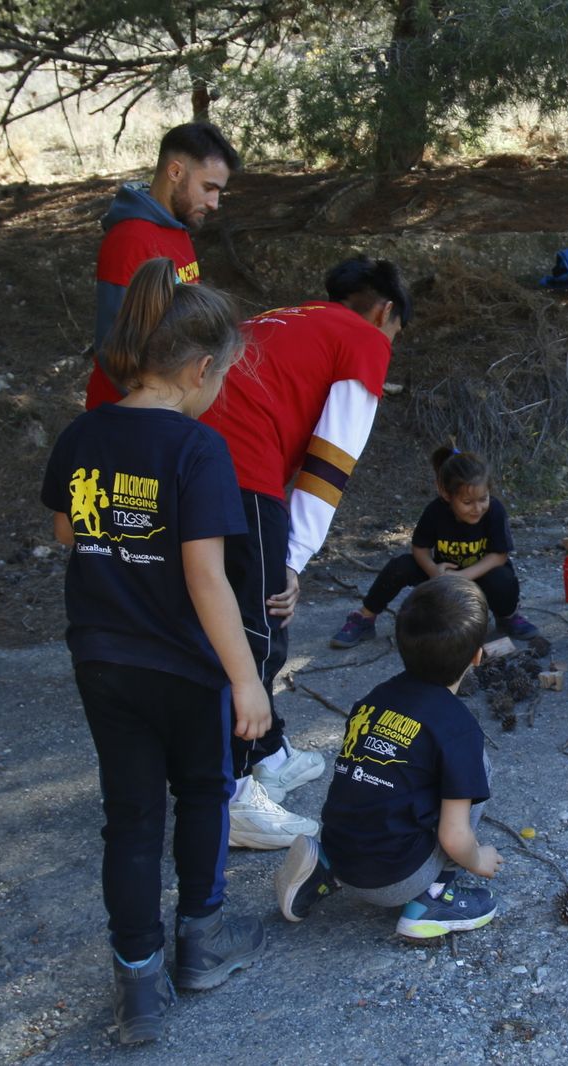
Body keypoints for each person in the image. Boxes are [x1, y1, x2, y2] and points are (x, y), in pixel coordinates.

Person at [39, 259, 266, 1045]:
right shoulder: (196, 450)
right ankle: (199, 947)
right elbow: (208, 580)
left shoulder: (85, 431)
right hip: (185, 665)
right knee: (203, 795)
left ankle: (136, 986)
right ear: (201, 368)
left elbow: (69, 532)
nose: (222, 392)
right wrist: (248, 682)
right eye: (225, 377)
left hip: (103, 660)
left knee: (130, 819)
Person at [199, 258, 411, 851]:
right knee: (260, 626)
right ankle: (236, 795)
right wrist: (293, 557)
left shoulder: (281, 320)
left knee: (221, 616)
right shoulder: (363, 339)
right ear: (385, 312)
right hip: (242, 469)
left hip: (187, 455)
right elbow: (331, 460)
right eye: (394, 331)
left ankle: (268, 752)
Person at [275, 575, 504, 940]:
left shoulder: (374, 699)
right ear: (477, 656)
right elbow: (454, 835)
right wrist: (478, 859)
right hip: (394, 878)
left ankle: (325, 867)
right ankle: (434, 898)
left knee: (393, 780)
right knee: (478, 769)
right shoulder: (459, 729)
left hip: (341, 845)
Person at [88, 122, 242, 409]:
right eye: (208, 188)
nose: (214, 203)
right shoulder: (131, 238)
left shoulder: (176, 230)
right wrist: (156, 415)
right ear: (175, 172)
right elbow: (114, 347)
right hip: (132, 420)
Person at [330, 447, 539, 647]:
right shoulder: (435, 511)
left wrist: (462, 577)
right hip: (441, 575)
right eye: (467, 502)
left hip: (479, 575)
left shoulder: (494, 511)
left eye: (483, 499)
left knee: (502, 578)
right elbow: (419, 548)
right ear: (447, 495)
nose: (477, 508)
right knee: (400, 566)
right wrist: (434, 573)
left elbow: (499, 556)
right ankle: (365, 617)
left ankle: (507, 617)